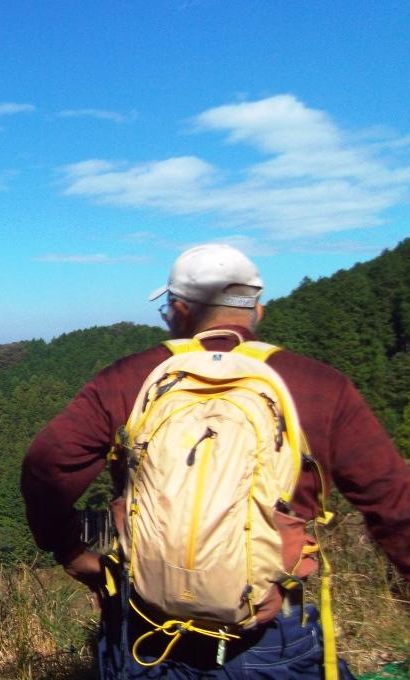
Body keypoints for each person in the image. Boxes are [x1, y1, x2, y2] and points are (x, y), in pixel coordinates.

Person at [21, 243, 410, 679]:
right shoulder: (317, 386)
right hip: (269, 632)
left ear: (179, 310)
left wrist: (70, 550)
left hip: (146, 631)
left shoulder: (130, 379)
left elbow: (46, 465)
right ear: (256, 309)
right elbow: (395, 504)